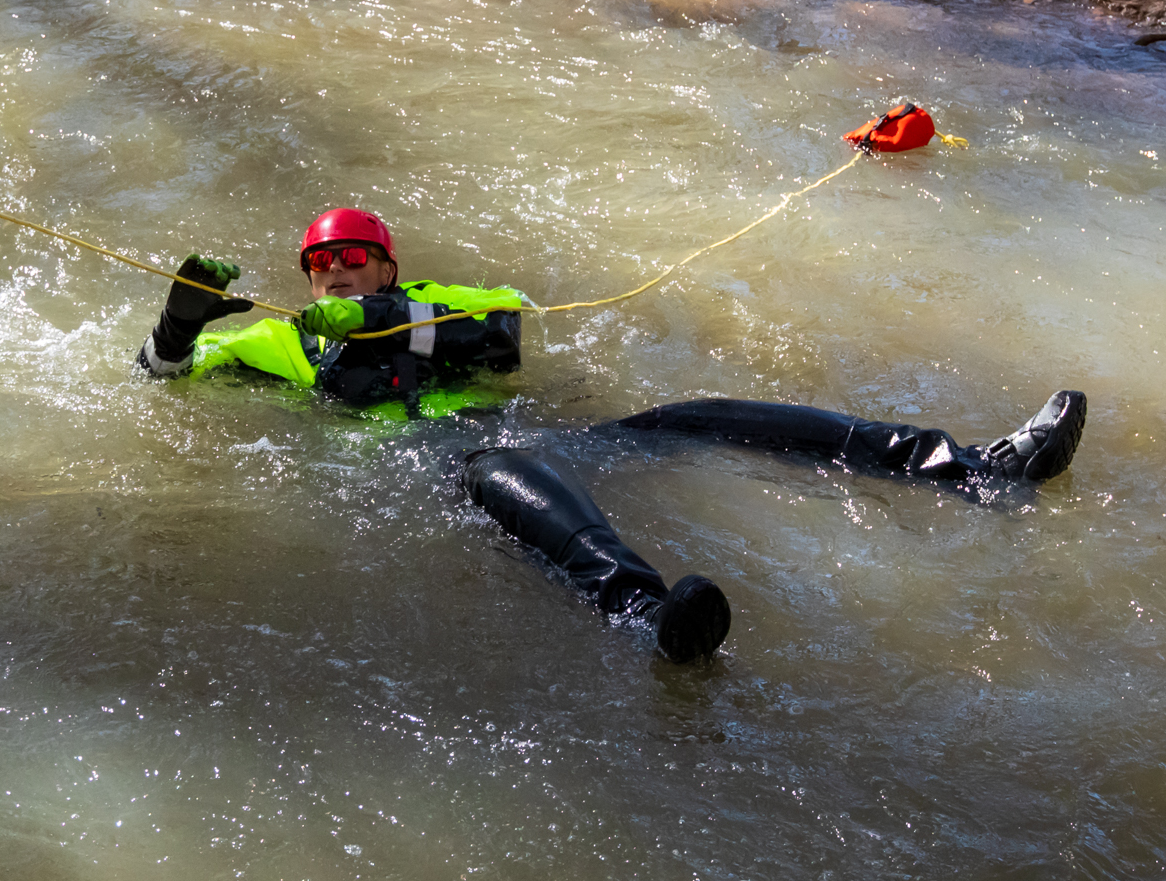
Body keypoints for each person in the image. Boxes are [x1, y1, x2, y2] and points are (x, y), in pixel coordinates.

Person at [136, 207, 1088, 664]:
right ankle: (643, 615)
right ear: (304, 279)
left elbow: (503, 342)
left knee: (695, 412)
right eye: (323, 266)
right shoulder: (273, 339)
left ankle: (974, 468)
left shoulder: (447, 300)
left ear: (391, 262)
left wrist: (393, 325)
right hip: (432, 465)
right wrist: (178, 331)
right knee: (492, 464)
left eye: (358, 259)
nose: (339, 274)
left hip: (529, 429)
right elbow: (160, 392)